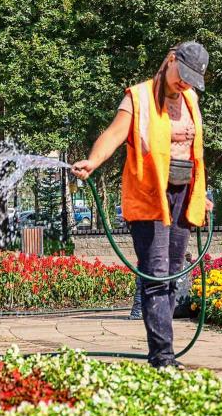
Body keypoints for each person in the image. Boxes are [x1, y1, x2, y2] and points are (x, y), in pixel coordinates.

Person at [72, 42, 213, 369]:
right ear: (171, 60)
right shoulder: (139, 97)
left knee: (175, 276)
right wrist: (93, 161)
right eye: (184, 75)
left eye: (193, 80)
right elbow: (113, 134)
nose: (186, 84)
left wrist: (200, 194)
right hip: (151, 196)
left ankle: (164, 352)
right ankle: (162, 358)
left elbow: (194, 151)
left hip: (182, 196)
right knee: (156, 276)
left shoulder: (190, 99)